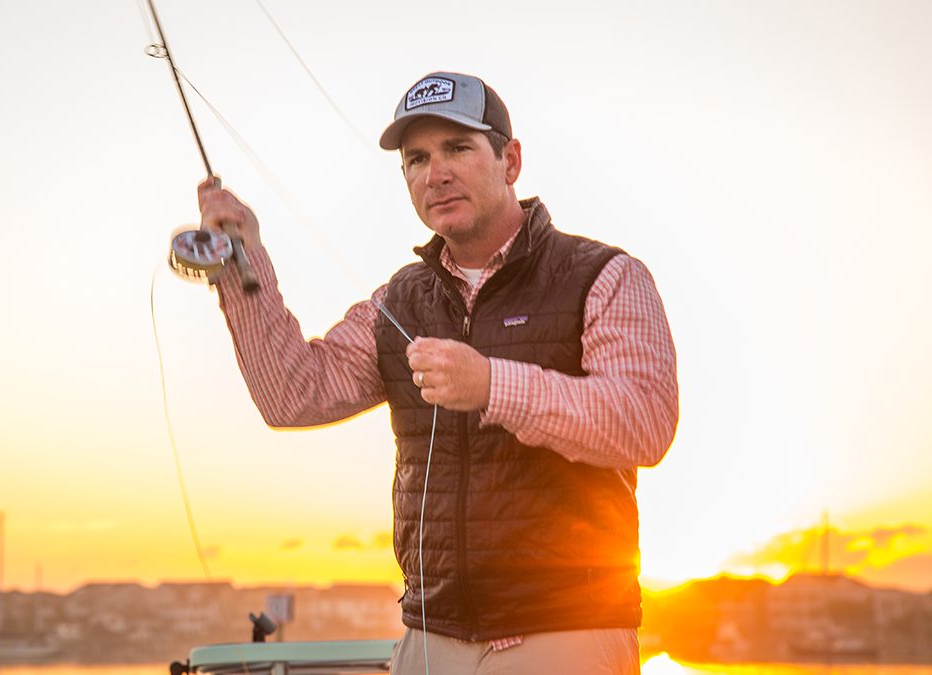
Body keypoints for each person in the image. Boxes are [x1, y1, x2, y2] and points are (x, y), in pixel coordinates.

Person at [196, 71, 678, 675]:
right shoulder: (398, 300)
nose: (436, 173)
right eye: (416, 159)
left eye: (457, 148)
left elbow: (645, 422)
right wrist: (243, 264)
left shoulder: (606, 276)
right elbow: (293, 395)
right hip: (431, 635)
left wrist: (492, 385)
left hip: (568, 627)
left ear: (510, 160)